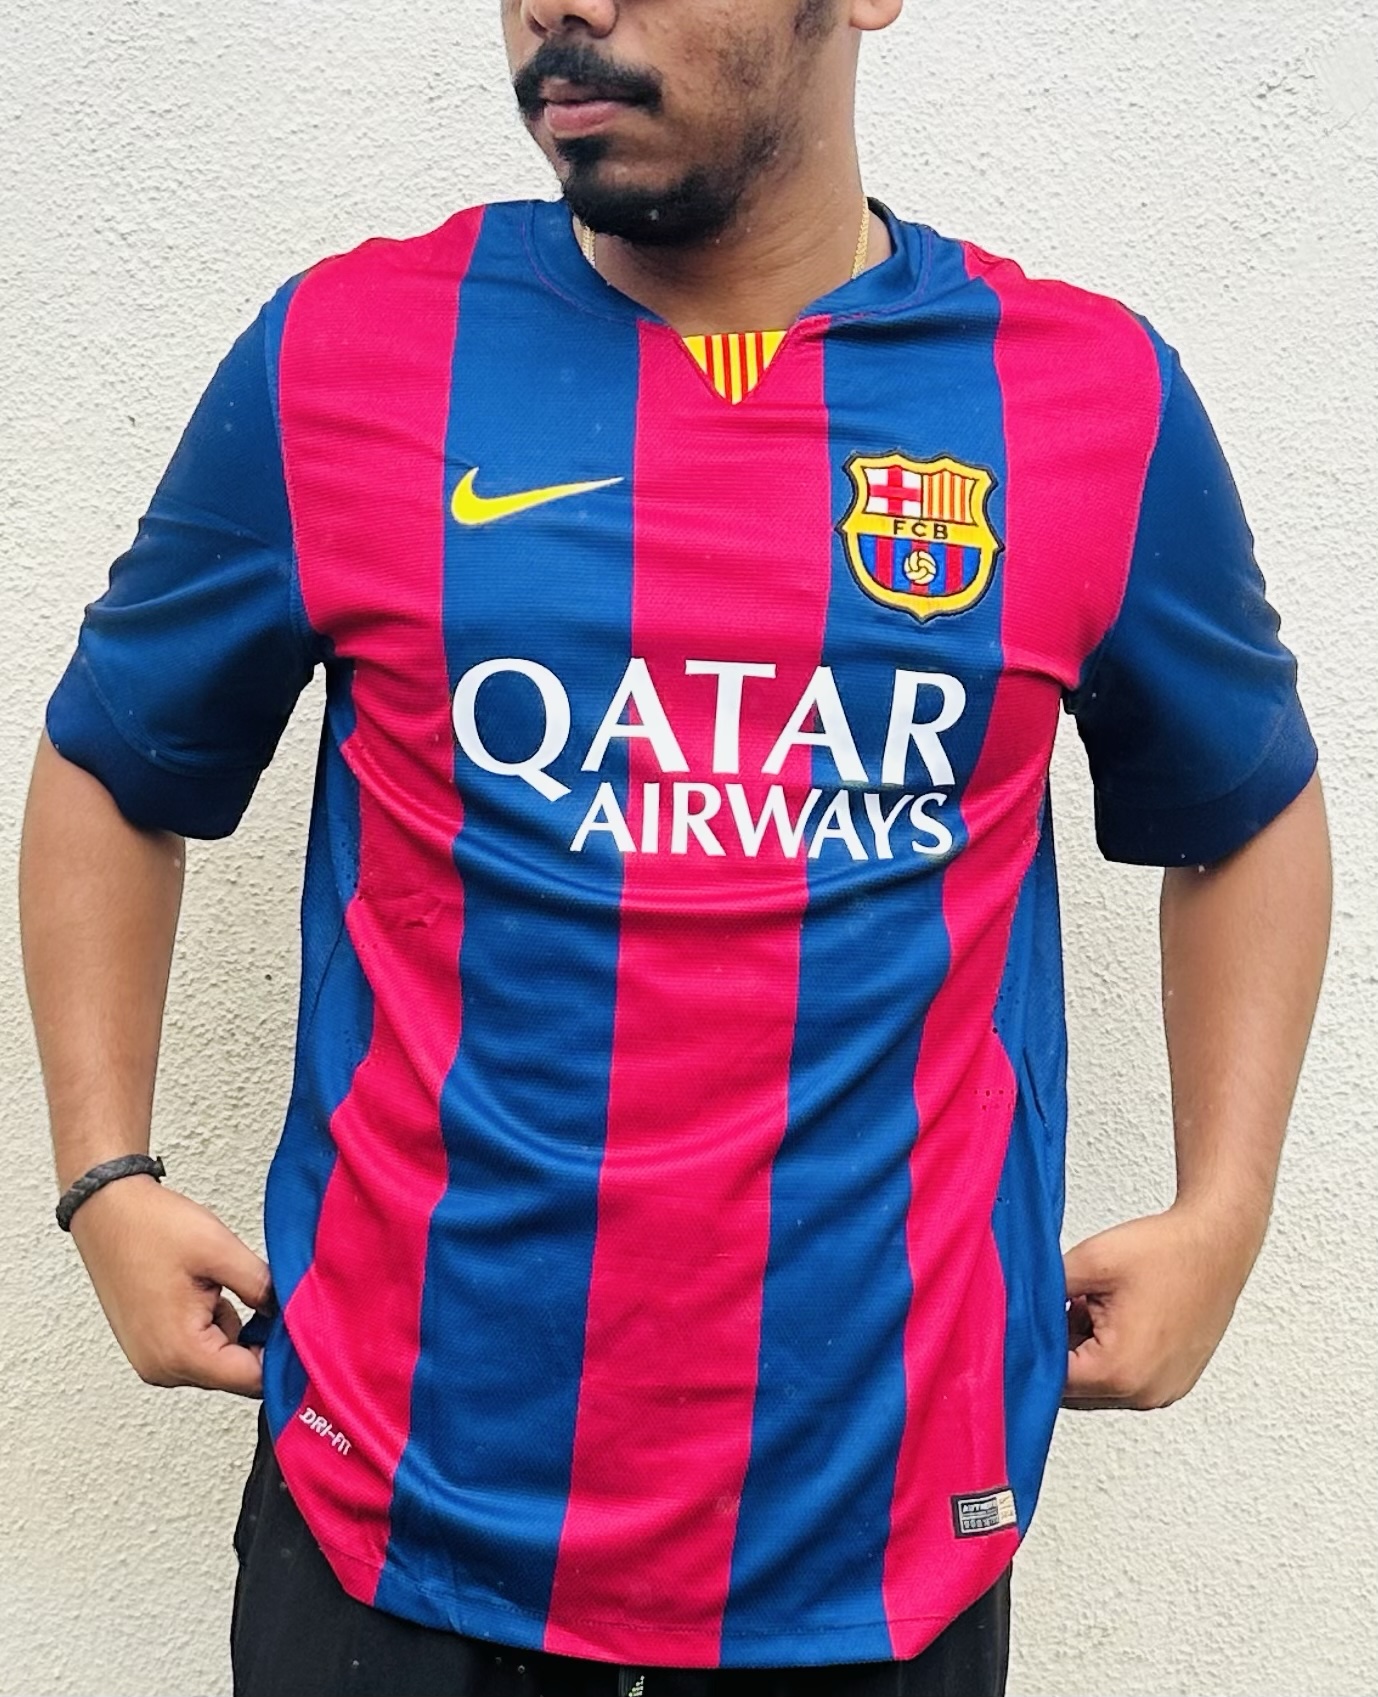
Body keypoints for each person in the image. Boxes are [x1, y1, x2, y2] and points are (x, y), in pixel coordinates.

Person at [19, 2, 1332, 1694]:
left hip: (878, 1539)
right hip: (393, 1521)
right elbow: (116, 760)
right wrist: (104, 1175)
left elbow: (1243, 807)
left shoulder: (1079, 398)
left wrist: (1223, 1210)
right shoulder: (347, 357)